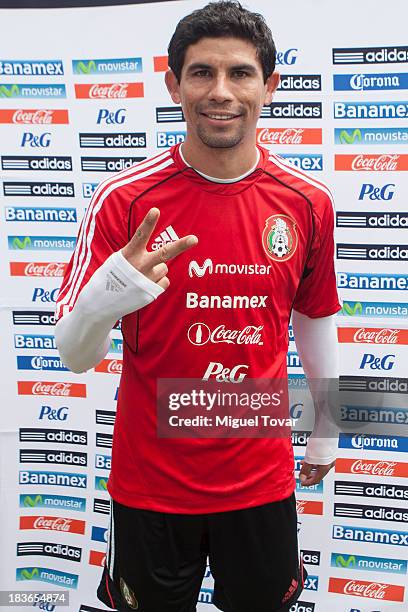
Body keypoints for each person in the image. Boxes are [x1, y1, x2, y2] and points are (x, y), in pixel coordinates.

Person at [55, 2, 341, 610]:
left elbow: (314, 318)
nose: (220, 92)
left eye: (239, 73)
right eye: (201, 72)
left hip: (260, 480)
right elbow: (74, 355)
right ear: (173, 83)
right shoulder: (125, 201)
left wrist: (327, 431)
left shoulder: (307, 202)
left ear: (270, 85)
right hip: (151, 485)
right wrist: (112, 293)